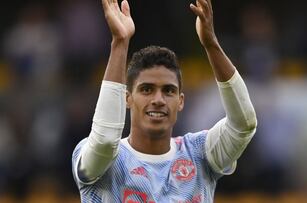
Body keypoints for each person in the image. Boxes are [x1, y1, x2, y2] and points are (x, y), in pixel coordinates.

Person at [72, 0, 257, 202]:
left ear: (180, 101)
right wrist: (119, 43)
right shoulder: (95, 156)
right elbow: (105, 141)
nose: (158, 100)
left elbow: (243, 124)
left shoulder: (199, 154)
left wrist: (211, 44)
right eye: (146, 90)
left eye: (168, 91)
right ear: (127, 98)